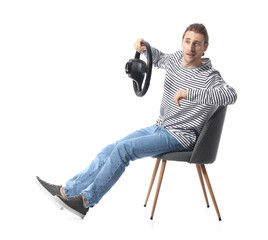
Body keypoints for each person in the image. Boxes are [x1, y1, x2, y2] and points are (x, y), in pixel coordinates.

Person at [36, 23, 237, 219]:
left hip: (180, 136)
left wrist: (189, 93)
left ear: (205, 47)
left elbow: (231, 96)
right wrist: (143, 47)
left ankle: (85, 202)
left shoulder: (210, 76)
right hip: (159, 127)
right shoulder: (176, 59)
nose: (191, 48)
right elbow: (158, 59)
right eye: (187, 41)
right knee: (111, 148)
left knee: (124, 150)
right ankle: (66, 191)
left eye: (197, 44)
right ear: (182, 42)